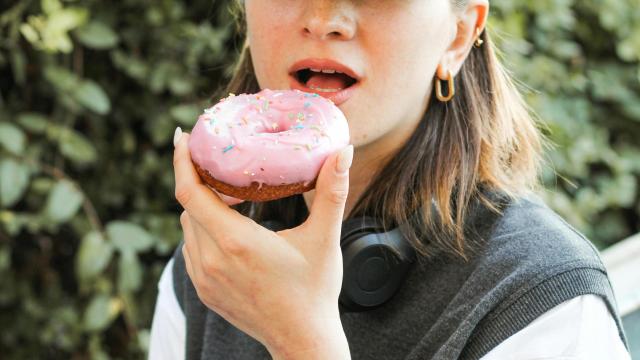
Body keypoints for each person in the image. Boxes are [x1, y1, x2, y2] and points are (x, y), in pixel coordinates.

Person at [149, 0, 631, 359]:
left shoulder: (545, 305)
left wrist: (302, 342)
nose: (324, 18)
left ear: (458, 35)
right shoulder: (212, 268)